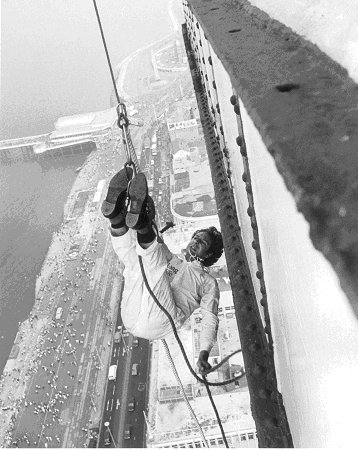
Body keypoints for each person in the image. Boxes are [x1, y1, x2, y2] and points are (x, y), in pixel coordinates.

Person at [102, 166, 224, 375]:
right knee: (133, 263)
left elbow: (209, 317)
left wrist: (204, 352)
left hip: (161, 321)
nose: (196, 242)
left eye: (202, 242)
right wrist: (153, 231)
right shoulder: (176, 262)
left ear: (208, 254)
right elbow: (159, 249)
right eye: (196, 237)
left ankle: (140, 224)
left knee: (153, 263)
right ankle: (116, 219)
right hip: (131, 317)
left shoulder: (207, 281)